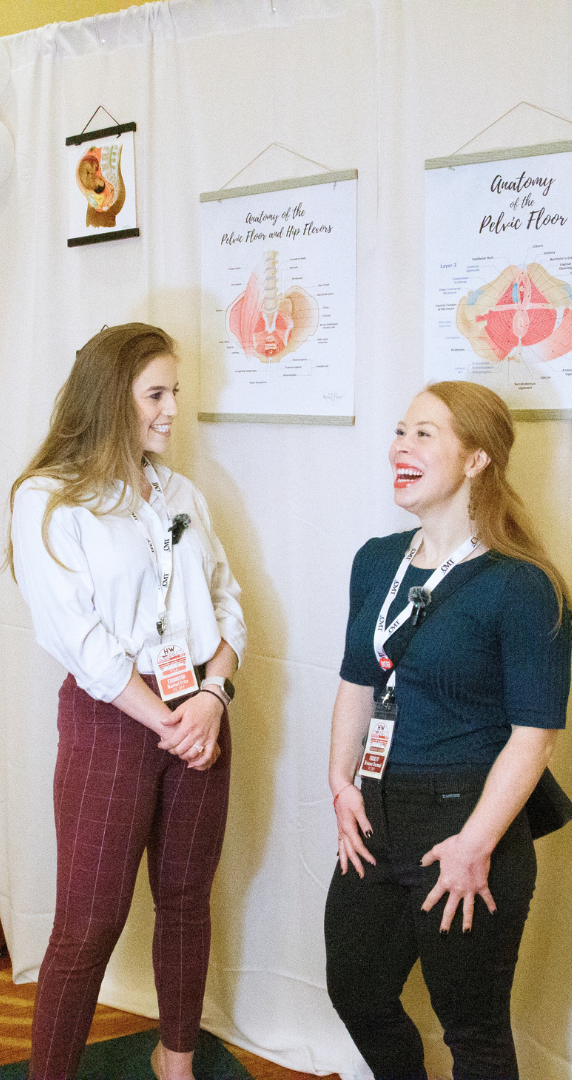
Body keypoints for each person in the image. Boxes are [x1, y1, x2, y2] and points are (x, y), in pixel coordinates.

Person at [7, 323, 246, 1080]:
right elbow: (81, 642)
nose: (173, 409)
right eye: (158, 393)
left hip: (200, 717)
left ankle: (175, 1062)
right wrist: (167, 719)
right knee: (89, 922)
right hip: (114, 724)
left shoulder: (182, 494)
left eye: (175, 391)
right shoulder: (47, 499)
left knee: (184, 899)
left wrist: (212, 695)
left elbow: (226, 602)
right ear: (113, 398)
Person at [324, 380, 571, 1080]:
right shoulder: (377, 560)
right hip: (374, 816)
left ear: (476, 460)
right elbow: (355, 681)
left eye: (424, 433)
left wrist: (476, 844)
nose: (401, 445)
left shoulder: (524, 586)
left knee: (473, 1029)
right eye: (400, 430)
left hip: (466, 824)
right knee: (359, 990)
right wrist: (340, 782)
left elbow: (535, 737)